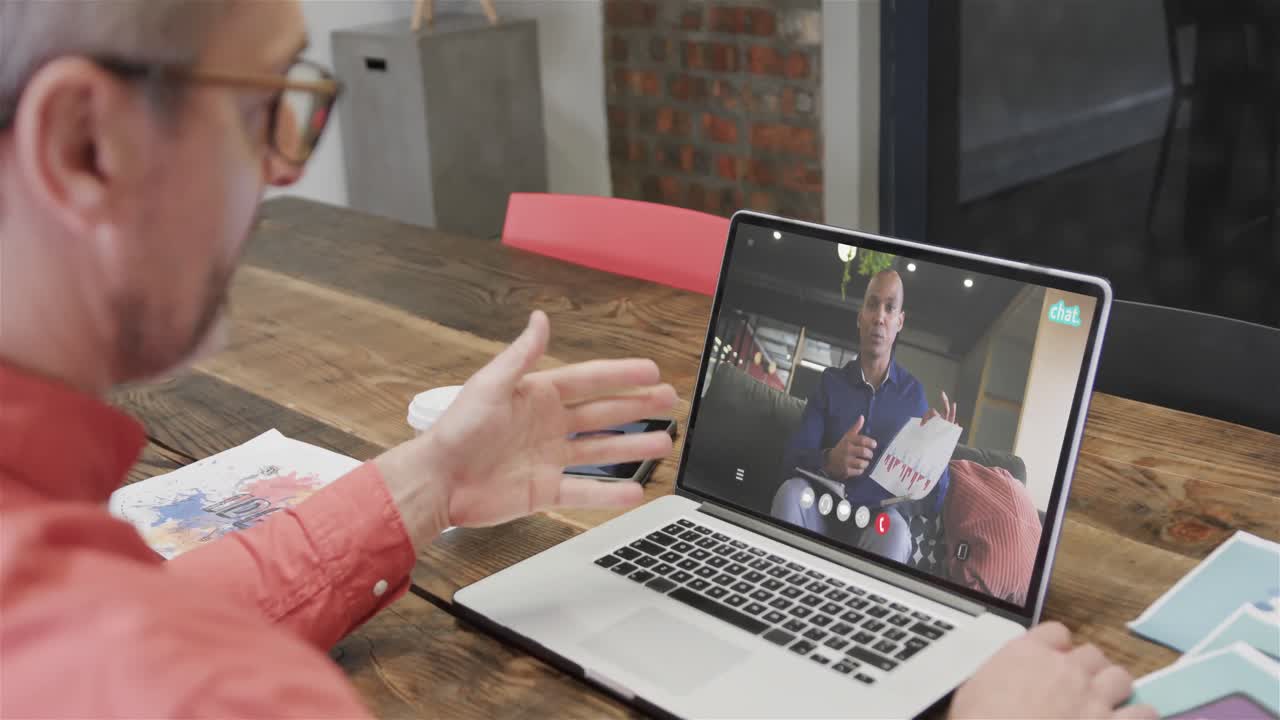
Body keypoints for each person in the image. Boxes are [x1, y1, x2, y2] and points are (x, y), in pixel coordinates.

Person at [0, 2, 1154, 718]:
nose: (287, 169)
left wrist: (431, 479)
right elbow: (164, 656)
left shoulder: (80, 605)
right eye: (264, 108)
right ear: (83, 144)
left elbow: (154, 615)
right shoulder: (203, 688)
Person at [773, 269, 956, 562]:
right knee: (790, 492)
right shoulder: (829, 383)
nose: (879, 317)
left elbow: (933, 504)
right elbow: (790, 460)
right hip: (818, 511)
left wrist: (938, 451)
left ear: (899, 322)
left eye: (889, 308)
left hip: (875, 528)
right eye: (872, 305)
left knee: (895, 530)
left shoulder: (914, 397)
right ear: (860, 317)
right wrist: (829, 460)